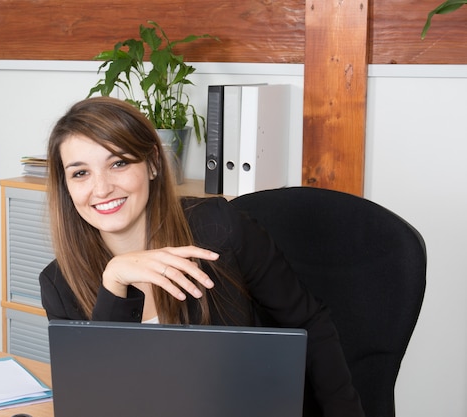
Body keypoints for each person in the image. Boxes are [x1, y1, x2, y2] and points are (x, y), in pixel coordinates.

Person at [39, 96, 365, 417]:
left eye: (118, 163)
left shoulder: (218, 227)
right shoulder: (58, 283)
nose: (102, 188)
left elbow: (310, 323)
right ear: (65, 186)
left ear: (153, 163)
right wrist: (114, 283)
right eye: (80, 173)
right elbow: (101, 401)